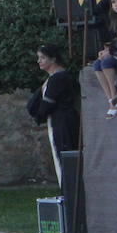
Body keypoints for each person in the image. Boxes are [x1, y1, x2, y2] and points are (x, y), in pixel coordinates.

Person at [27, 43, 79, 181]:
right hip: (58, 120)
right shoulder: (53, 79)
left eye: (43, 58)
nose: (39, 61)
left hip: (62, 122)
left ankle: (70, 191)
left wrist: (39, 115)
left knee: (65, 158)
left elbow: (46, 104)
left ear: (53, 59)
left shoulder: (58, 78)